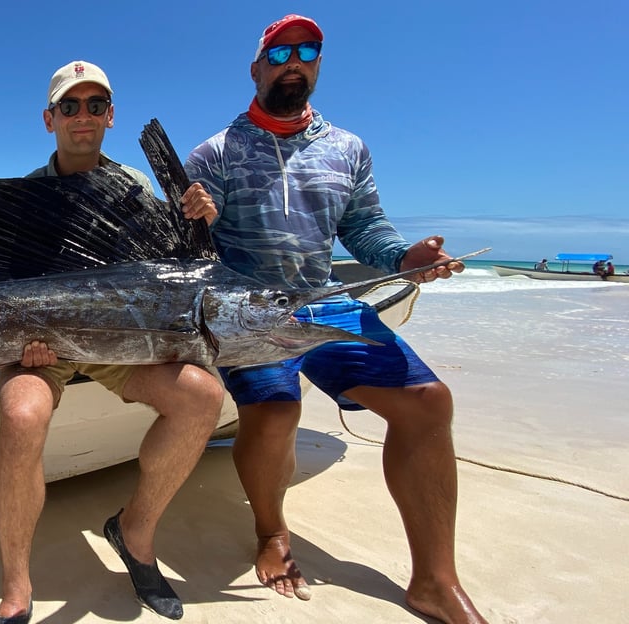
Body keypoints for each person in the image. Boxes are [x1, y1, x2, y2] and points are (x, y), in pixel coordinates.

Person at [183, 15, 487, 624]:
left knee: (429, 402)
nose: (293, 60)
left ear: (318, 66)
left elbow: (365, 230)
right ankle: (271, 533)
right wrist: (198, 219)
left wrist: (407, 258)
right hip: (248, 309)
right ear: (256, 67)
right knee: (275, 413)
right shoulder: (214, 152)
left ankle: (435, 580)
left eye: (307, 51)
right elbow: (188, 255)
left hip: (324, 301)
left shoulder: (348, 147)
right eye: (280, 51)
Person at [0, 60, 224, 623]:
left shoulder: (134, 188)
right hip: (40, 346)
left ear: (111, 116)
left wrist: (203, 221)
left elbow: (186, 278)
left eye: (94, 105)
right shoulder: (24, 198)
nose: (81, 116)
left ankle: (134, 535)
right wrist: (10, 349)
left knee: (202, 396)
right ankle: (16, 584)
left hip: (116, 346)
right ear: (49, 118)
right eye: (69, 106)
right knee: (22, 413)